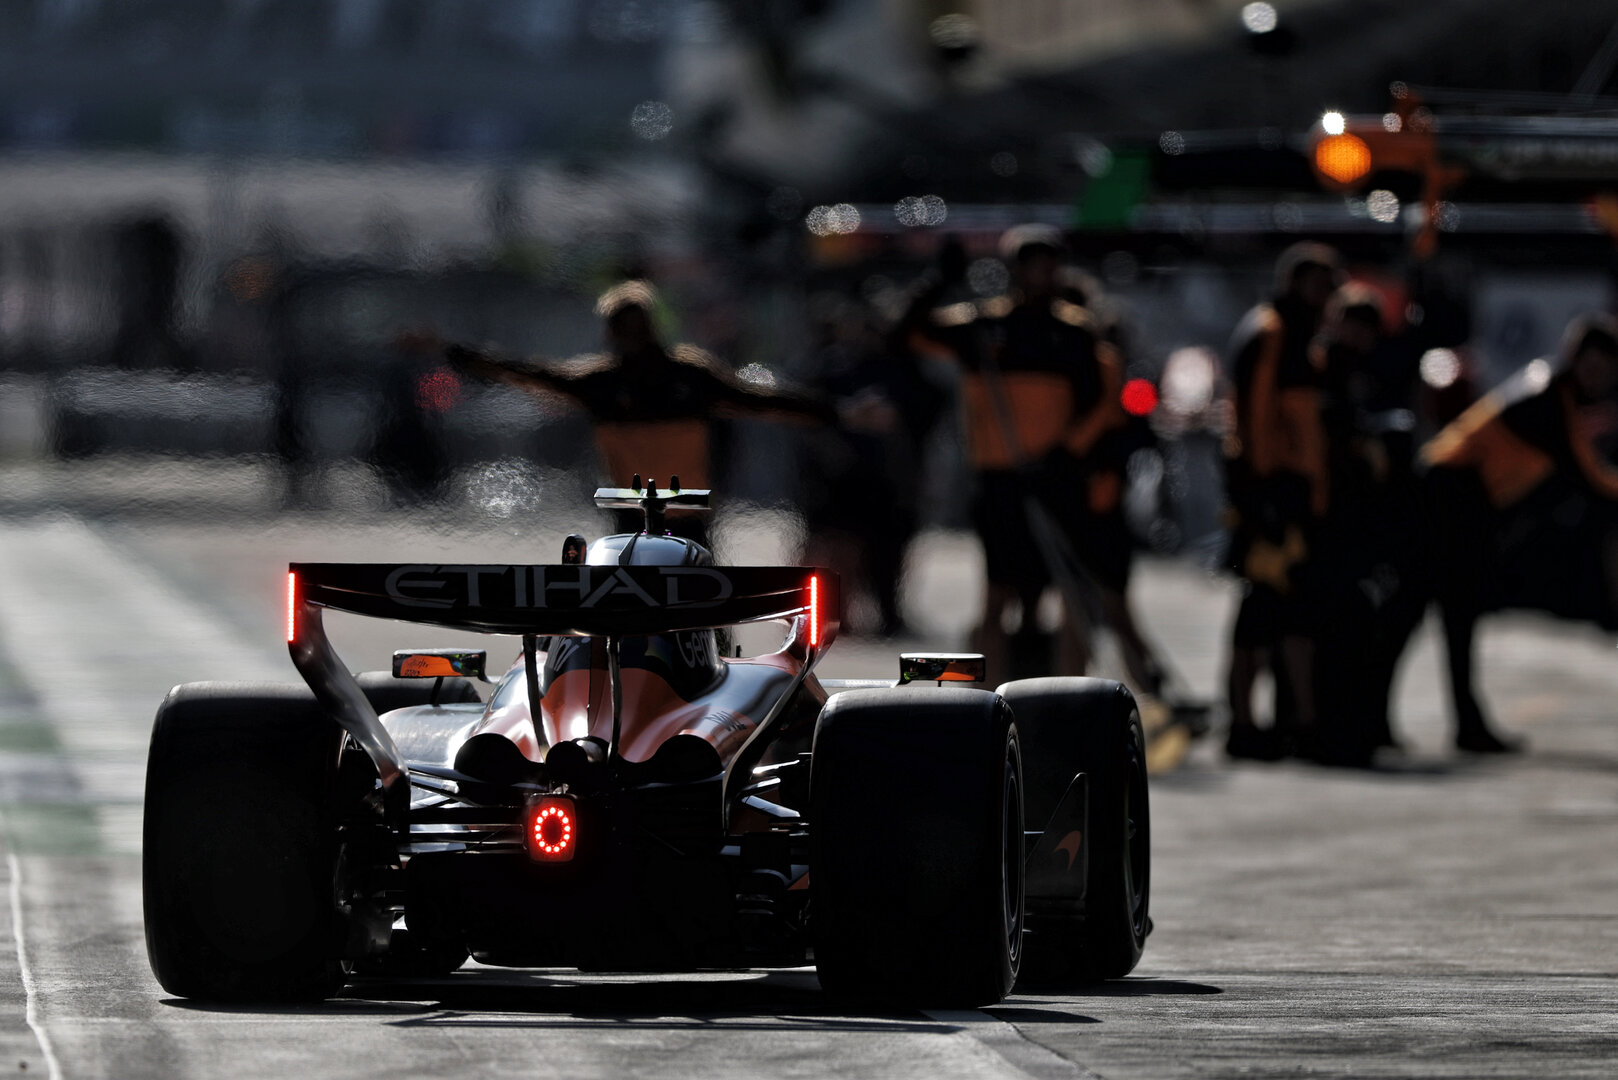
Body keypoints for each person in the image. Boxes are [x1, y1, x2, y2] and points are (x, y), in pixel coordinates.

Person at [432, 280, 876, 542]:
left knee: (669, 608)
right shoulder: (638, 379)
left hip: (662, 514)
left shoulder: (642, 379)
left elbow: (526, 373)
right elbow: (766, 402)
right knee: (680, 606)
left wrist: (838, 412)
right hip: (658, 512)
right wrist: (839, 412)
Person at [903, 227, 1125, 684]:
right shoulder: (980, 327)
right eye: (1032, 262)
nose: (1042, 271)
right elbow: (909, 335)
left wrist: (1067, 455)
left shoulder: (1075, 331)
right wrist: (936, 284)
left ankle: (1069, 694)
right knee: (997, 594)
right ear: (1014, 270)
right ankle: (986, 696)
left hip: (1055, 480)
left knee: (1069, 591)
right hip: (1000, 481)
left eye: (1049, 262)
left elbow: (1101, 405)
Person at [1420, 313, 1618, 752]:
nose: (1598, 374)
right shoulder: (1549, 396)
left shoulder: (1557, 394)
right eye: (1593, 363)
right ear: (1575, 358)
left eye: (1605, 367)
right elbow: (1587, 475)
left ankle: (1464, 722)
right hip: (1448, 495)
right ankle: (1461, 724)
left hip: (1462, 500)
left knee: (1451, 616)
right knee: (1441, 613)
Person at [1223, 243, 1337, 760]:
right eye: (1317, 284)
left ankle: (1294, 722)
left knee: (1289, 616)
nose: (1325, 296)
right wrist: (1260, 494)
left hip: (1289, 498)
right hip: (1270, 498)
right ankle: (1245, 724)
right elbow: (1253, 418)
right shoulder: (1272, 333)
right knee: (1260, 619)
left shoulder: (1301, 338)